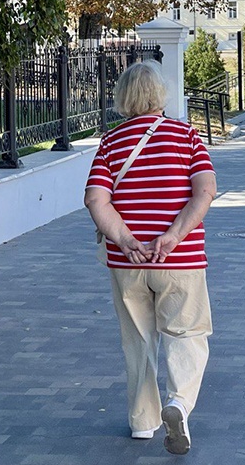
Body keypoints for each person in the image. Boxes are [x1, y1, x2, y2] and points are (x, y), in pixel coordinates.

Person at [85, 61, 216, 456]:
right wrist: (174, 235)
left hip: (128, 264)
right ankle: (178, 403)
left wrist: (125, 238)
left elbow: (95, 199)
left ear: (124, 96)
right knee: (187, 334)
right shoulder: (187, 136)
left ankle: (144, 422)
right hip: (180, 259)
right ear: (161, 94)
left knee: (138, 340)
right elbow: (205, 191)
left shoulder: (110, 143)